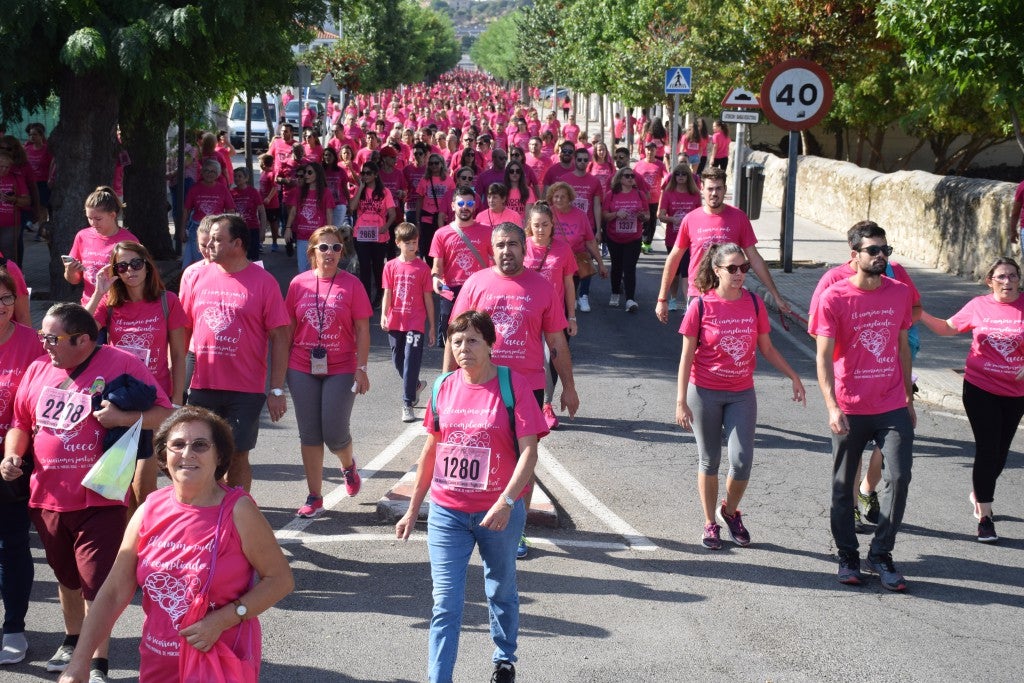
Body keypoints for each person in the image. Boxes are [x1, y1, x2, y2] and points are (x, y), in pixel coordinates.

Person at [55, 406, 294, 683]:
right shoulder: (150, 509)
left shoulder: (238, 510)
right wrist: (79, 662)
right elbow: (112, 592)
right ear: (164, 454)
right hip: (158, 662)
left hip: (218, 661)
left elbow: (280, 579)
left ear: (219, 456)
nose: (187, 453)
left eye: (201, 445)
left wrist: (224, 619)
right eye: (177, 445)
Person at [1, 303, 173, 682]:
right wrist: (13, 454)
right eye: (43, 335)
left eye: (52, 338)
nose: (43, 343)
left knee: (96, 582)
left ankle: (97, 661)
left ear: (83, 340)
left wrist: (125, 419)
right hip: (45, 495)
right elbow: (21, 423)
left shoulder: (122, 362)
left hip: (101, 495)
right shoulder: (38, 369)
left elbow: (166, 413)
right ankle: (73, 637)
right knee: (67, 578)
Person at [395, 310, 547, 683]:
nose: (464, 348)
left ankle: (504, 658)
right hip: (447, 511)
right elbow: (431, 450)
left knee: (500, 587)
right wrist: (413, 509)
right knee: (445, 603)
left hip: (498, 512)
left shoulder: (513, 385)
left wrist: (507, 501)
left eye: (473, 340)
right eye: (457, 341)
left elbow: (530, 452)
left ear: (491, 345)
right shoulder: (443, 386)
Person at [675, 243, 805, 549]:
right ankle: (710, 523)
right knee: (710, 460)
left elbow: (768, 348)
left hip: (741, 393)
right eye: (732, 268)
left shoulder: (754, 303)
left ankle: (729, 512)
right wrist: (681, 400)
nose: (739, 274)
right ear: (717, 270)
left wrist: (793, 375)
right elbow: (685, 357)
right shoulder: (701, 306)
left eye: (743, 268)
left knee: (742, 460)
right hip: (704, 392)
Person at [811, 222, 915, 591]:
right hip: (850, 406)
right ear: (854, 256)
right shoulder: (834, 297)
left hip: (891, 404)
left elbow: (902, 345)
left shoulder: (899, 293)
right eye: (873, 250)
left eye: (885, 249)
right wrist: (832, 405)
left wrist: (907, 396)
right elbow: (822, 358)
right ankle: (848, 555)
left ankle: (882, 553)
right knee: (843, 486)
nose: (881, 255)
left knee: (899, 477)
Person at [180, 214, 291, 492]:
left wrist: (277, 390)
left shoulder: (264, 282)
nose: (210, 245)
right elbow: (181, 331)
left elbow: (280, 337)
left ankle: (237, 512)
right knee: (201, 454)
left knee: (237, 454)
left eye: (218, 240)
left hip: (246, 387)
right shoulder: (196, 276)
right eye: (210, 239)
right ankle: (208, 511)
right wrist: (174, 382)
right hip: (202, 384)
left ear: (238, 244)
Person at [919, 257, 1024, 543]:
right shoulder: (979, 306)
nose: (1008, 282)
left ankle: (980, 492)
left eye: (1012, 276)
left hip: (1015, 393)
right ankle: (985, 518)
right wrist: (919, 314)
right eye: (1001, 276)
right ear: (990, 280)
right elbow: (947, 328)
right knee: (988, 449)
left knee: (1001, 452)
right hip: (980, 387)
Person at [86, 241, 188, 507]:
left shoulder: (168, 301)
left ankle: (142, 541)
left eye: (136, 264)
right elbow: (80, 331)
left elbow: (178, 355)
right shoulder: (109, 303)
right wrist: (98, 293)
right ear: (115, 271)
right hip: (118, 398)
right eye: (122, 266)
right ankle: (126, 541)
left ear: (147, 265)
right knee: (118, 481)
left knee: (144, 485)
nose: (130, 270)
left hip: (155, 398)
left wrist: (176, 400)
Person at [284, 227, 371, 517]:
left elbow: (362, 329)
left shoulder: (352, 285)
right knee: (309, 433)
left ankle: (348, 466)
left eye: (336, 248)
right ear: (312, 252)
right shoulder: (298, 284)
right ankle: (314, 496)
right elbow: (290, 329)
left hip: (341, 367)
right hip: (301, 365)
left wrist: (362, 368)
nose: (330, 253)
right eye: (324, 248)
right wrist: (280, 372)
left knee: (334, 433)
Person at [655, 167, 789, 321]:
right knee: (697, 344)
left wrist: (776, 295)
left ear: (725, 189)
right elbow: (674, 259)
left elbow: (755, 258)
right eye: (710, 188)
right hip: (699, 296)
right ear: (702, 189)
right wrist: (662, 299)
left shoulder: (739, 217)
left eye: (718, 188)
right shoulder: (690, 219)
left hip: (731, 294)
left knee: (732, 343)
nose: (714, 193)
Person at [0, 270, 43, 665]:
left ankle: (13, 626)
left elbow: (41, 403)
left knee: (12, 544)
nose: (1, 308)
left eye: (6, 299)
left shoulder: (32, 343)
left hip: (13, 462)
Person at [523, 203, 577, 430]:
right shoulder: (521, 247)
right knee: (529, 359)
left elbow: (568, 283)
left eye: (545, 224)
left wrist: (572, 316)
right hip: (526, 313)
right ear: (529, 226)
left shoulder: (563, 249)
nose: (541, 229)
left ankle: (546, 404)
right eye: (536, 225)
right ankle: (527, 401)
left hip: (555, 316)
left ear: (552, 224)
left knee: (550, 359)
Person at [381, 222, 436, 422]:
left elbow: (428, 299)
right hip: (396, 320)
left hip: (415, 322)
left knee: (411, 360)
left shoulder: (422, 268)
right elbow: (387, 292)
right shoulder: (390, 266)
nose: (412, 246)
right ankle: (415, 386)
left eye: (414, 242)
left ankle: (407, 402)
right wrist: (383, 314)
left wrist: (431, 327)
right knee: (398, 360)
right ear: (398, 243)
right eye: (408, 243)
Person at [429, 186, 492, 347]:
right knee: (451, 340)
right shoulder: (441, 234)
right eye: (461, 203)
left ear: (475, 205)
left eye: (469, 203)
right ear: (453, 206)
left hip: (479, 289)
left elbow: (496, 260)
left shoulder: (487, 231)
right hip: (451, 290)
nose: (465, 207)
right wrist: (436, 278)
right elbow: (437, 264)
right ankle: (451, 371)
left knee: (480, 336)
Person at [64, 186, 140, 306]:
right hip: (90, 306)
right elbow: (73, 280)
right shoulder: (82, 236)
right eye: (89, 218)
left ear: (113, 215)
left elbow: (139, 280)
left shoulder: (129, 241)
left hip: (119, 307)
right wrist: (70, 270)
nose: (93, 223)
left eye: (98, 219)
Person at [547, 182, 605, 313]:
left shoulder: (580, 215)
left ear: (570, 198)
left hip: (573, 265)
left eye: (563, 196)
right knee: (554, 301)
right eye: (556, 196)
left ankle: (565, 327)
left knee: (567, 304)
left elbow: (590, 242)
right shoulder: (547, 214)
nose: (559, 199)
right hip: (551, 265)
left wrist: (601, 264)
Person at [349, 160, 397, 304]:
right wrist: (360, 188)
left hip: (379, 235)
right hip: (361, 234)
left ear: (376, 175)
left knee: (378, 267)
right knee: (364, 267)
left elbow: (392, 214)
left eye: (368, 173)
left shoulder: (384, 192)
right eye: (363, 173)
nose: (365, 176)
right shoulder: (360, 189)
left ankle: (379, 295)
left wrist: (386, 226)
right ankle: (365, 298)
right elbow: (352, 207)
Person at [602, 167, 648, 312]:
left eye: (632, 176)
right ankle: (615, 293)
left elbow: (647, 215)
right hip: (614, 237)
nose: (630, 178)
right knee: (616, 266)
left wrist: (642, 217)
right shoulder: (611, 195)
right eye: (627, 176)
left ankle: (630, 299)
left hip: (633, 237)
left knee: (629, 268)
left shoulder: (640, 194)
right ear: (620, 178)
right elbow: (605, 216)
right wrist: (616, 214)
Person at [657, 164, 701, 311]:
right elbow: (661, 216)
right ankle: (673, 299)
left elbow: (701, 214)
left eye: (684, 174)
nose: (681, 176)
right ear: (674, 176)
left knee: (687, 272)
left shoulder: (694, 194)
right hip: (673, 239)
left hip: (691, 240)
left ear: (689, 176)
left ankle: (689, 304)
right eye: (678, 174)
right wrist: (673, 220)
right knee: (675, 272)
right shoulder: (668, 193)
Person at [181, 161, 235, 268]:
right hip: (197, 228)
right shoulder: (195, 188)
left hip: (217, 230)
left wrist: (230, 229)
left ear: (218, 174)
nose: (209, 174)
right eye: (206, 171)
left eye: (213, 171)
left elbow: (230, 210)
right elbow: (186, 210)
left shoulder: (222, 189)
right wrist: (182, 229)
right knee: (198, 260)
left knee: (215, 259)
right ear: (202, 172)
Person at [284, 161, 335, 272]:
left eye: (309, 172)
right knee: (302, 269)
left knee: (318, 269)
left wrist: (330, 234)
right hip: (302, 237)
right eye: (305, 173)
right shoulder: (299, 191)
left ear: (318, 174)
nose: (306, 175)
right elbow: (293, 212)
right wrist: (288, 228)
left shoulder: (326, 193)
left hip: (319, 237)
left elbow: (329, 213)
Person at [231, 167, 268, 262]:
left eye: (240, 176)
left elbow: (262, 211)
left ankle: (257, 276)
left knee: (254, 258)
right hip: (237, 230)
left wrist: (263, 230)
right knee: (239, 257)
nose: (237, 178)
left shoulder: (253, 192)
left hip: (252, 229)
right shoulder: (231, 193)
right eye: (235, 176)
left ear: (246, 178)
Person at [634, 143, 664, 254]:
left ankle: (647, 243)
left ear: (656, 151)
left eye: (652, 150)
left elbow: (666, 177)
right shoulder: (639, 165)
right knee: (642, 222)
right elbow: (633, 179)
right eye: (647, 150)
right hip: (641, 199)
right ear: (644, 151)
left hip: (654, 200)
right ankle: (642, 242)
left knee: (651, 223)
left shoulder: (660, 165)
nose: (649, 152)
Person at [0, 152, 30, 260]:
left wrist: (14, 200)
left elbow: (27, 201)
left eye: (7, 167)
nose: (4, 170)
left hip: (10, 224)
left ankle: (8, 276)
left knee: (8, 254)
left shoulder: (16, 178)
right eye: (1, 166)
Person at [258, 153, 282, 253]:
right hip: (262, 203)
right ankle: (260, 242)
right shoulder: (263, 173)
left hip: (272, 204)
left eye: (259, 162)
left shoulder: (272, 174)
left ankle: (275, 242)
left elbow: (275, 187)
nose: (259, 163)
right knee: (262, 222)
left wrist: (268, 198)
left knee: (273, 223)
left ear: (264, 163)